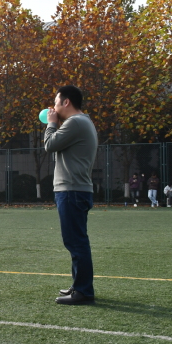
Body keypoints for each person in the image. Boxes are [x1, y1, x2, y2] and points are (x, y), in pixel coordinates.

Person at [44, 85, 98, 305]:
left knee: (76, 242)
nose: (53, 107)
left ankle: (83, 291)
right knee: (76, 241)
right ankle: (79, 286)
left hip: (72, 190)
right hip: (76, 190)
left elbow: (49, 145)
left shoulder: (75, 122)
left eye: (56, 102)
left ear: (66, 102)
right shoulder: (82, 122)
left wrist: (51, 123)